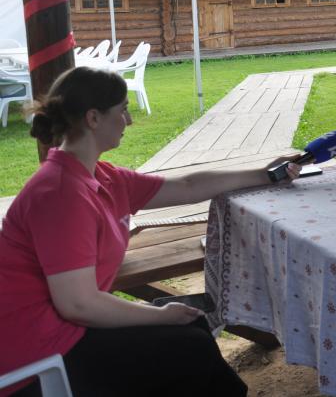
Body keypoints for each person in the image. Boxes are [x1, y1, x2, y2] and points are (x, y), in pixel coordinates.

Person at [0, 66, 300, 397]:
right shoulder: (60, 193)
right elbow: (78, 304)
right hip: (35, 357)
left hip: (67, 330)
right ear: (93, 118)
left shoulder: (101, 176)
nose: (129, 121)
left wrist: (265, 173)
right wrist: (158, 314)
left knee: (192, 329)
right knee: (190, 348)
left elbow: (186, 186)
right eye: (123, 110)